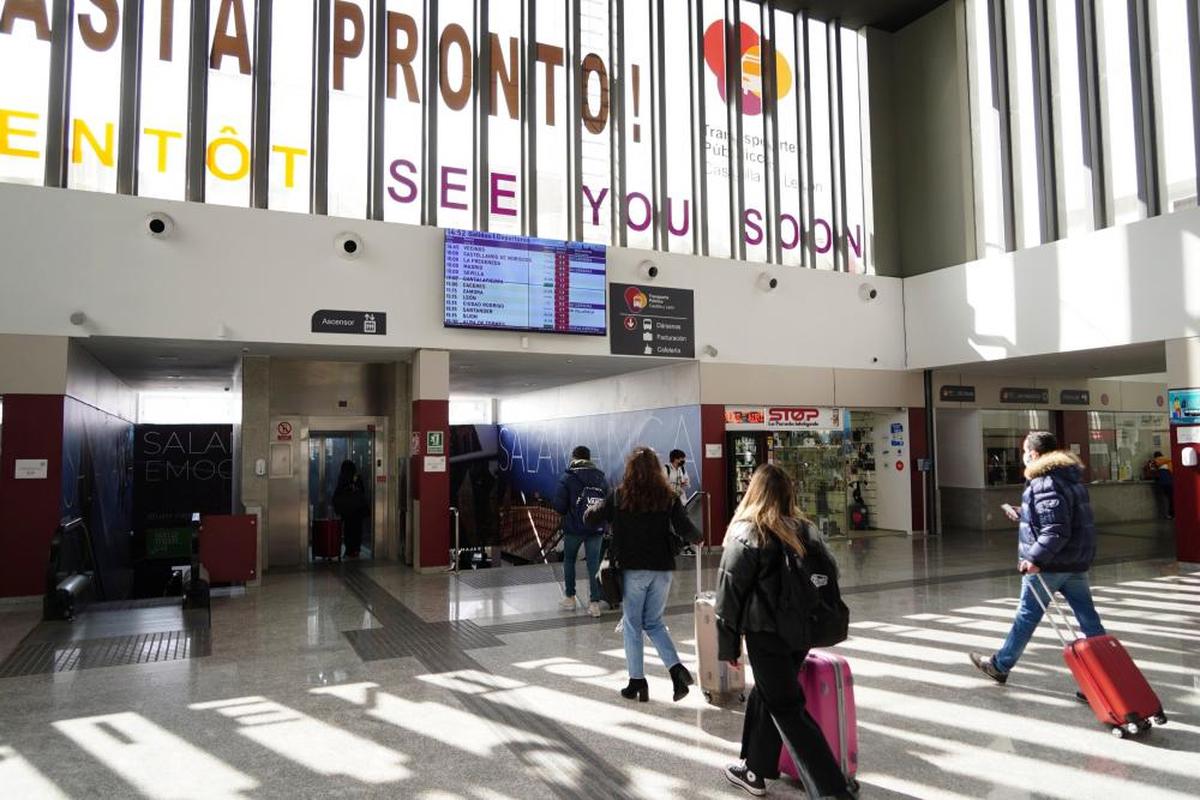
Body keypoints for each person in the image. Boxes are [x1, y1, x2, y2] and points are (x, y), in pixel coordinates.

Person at [715, 464, 856, 800]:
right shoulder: (806, 530)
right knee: (768, 695)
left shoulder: (748, 532)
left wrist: (728, 648)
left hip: (766, 634)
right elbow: (828, 577)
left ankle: (832, 789)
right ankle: (754, 769)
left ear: (755, 491)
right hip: (801, 633)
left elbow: (729, 595)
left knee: (786, 706)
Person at [970, 430, 1106, 683]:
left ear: (1033, 453)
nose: (1023, 456)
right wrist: (1025, 513)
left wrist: (1034, 558)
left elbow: (1056, 529)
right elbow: (1061, 516)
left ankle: (1000, 665)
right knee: (1088, 619)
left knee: (1027, 616)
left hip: (1050, 565)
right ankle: (1106, 675)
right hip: (1075, 563)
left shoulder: (1045, 480)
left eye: (1024, 451)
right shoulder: (1070, 477)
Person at [585, 446, 701, 702]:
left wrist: (589, 511)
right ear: (657, 471)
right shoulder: (668, 497)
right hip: (662, 570)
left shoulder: (619, 496)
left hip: (632, 570)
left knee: (632, 625)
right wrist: (699, 539)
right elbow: (687, 529)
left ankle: (637, 681)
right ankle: (677, 671)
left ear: (630, 470)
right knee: (654, 623)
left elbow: (591, 518)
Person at [551, 446, 610, 617]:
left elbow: (559, 506)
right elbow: (608, 502)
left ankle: (570, 597)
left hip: (574, 528)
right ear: (589, 459)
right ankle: (594, 603)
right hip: (596, 527)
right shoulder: (601, 477)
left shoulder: (568, 477)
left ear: (573, 458)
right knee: (594, 564)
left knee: (569, 560)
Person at [332, 460, 369, 559]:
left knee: (348, 530)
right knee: (357, 530)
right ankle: (356, 549)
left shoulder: (343, 478)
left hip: (347, 511)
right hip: (358, 510)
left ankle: (349, 550)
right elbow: (362, 492)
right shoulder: (357, 477)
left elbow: (338, 493)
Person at [1147, 451, 1174, 520]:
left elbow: (1152, 473)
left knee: (1166, 499)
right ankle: (1172, 514)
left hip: (1162, 483)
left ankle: (1170, 514)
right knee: (1171, 499)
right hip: (1170, 482)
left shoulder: (1154, 462)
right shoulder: (1168, 462)